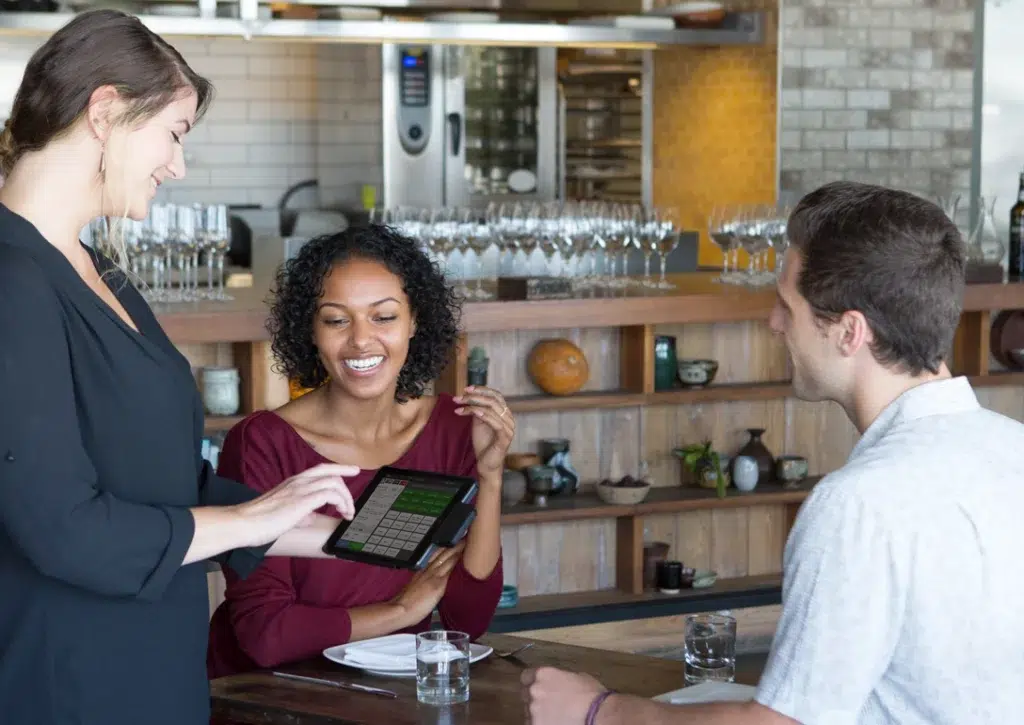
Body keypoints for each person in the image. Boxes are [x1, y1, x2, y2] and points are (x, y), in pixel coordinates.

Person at [522, 181, 1024, 725]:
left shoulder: (858, 504)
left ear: (849, 332)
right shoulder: (1012, 445)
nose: (774, 322)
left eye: (788, 306)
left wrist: (598, 710)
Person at [0, 10, 361, 725]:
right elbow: (64, 529)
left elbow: (158, 478)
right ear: (105, 111)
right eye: (175, 132)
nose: (178, 165)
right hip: (71, 681)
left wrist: (321, 532)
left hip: (150, 665)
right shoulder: (12, 279)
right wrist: (250, 516)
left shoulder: (98, 269)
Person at [207, 224, 511, 677]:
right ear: (310, 330)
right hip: (267, 692)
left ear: (415, 321)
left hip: (392, 690)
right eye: (336, 320)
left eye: (383, 317)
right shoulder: (262, 443)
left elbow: (469, 621)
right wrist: (400, 612)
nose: (361, 340)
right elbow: (266, 637)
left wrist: (491, 475)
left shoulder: (454, 427)